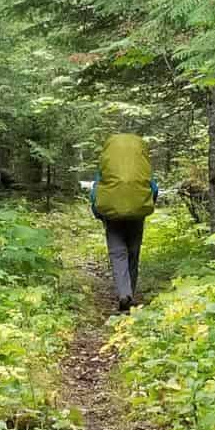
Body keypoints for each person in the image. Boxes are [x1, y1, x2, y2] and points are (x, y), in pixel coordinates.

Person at [89, 133, 158, 312]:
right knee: (133, 253)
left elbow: (95, 192)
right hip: (136, 215)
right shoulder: (140, 169)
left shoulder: (107, 169)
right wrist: (144, 206)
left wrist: (99, 213)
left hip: (112, 217)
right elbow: (153, 188)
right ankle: (130, 296)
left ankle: (124, 294)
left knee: (118, 254)